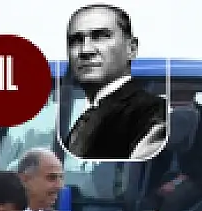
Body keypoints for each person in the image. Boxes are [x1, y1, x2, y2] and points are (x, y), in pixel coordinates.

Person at [62, 5, 168, 161]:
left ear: (131, 48)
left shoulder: (151, 113)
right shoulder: (88, 115)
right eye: (75, 40)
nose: (85, 50)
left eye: (101, 36)